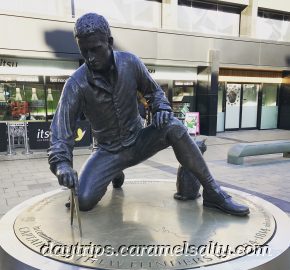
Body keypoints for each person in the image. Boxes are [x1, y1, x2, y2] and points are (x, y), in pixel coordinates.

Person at [48, 13, 249, 216]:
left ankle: (213, 192)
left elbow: (154, 92)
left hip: (139, 140)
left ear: (109, 42)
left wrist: (161, 108)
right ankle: (114, 172)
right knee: (82, 201)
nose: (90, 58)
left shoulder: (130, 63)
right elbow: (60, 131)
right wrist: (62, 165)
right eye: (84, 51)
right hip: (108, 151)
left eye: (96, 49)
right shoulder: (75, 84)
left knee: (174, 127)